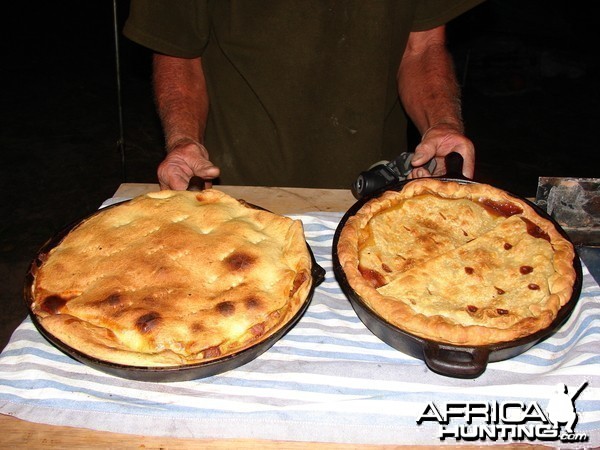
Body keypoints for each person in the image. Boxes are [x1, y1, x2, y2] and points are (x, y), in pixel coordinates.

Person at [124, 1, 483, 191]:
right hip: (236, 186)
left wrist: (441, 124)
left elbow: (421, 48)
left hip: (377, 182)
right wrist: (184, 140)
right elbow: (179, 50)